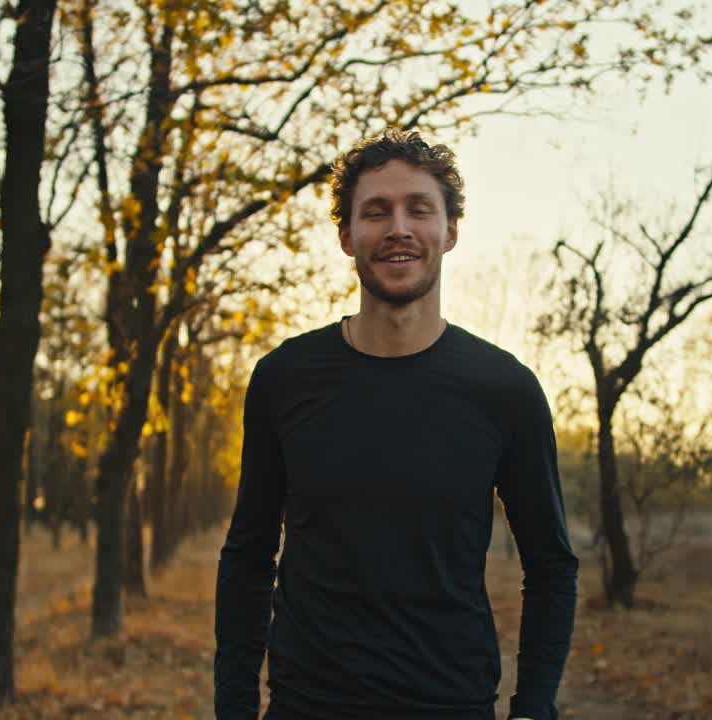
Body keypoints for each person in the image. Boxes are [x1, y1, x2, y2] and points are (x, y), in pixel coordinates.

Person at [213, 128, 578, 720]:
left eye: (419, 209)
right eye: (376, 212)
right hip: (307, 707)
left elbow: (551, 565)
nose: (398, 228)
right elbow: (249, 555)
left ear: (450, 231)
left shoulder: (505, 390)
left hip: (451, 705)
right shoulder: (285, 379)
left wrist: (534, 708)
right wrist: (232, 707)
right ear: (346, 236)